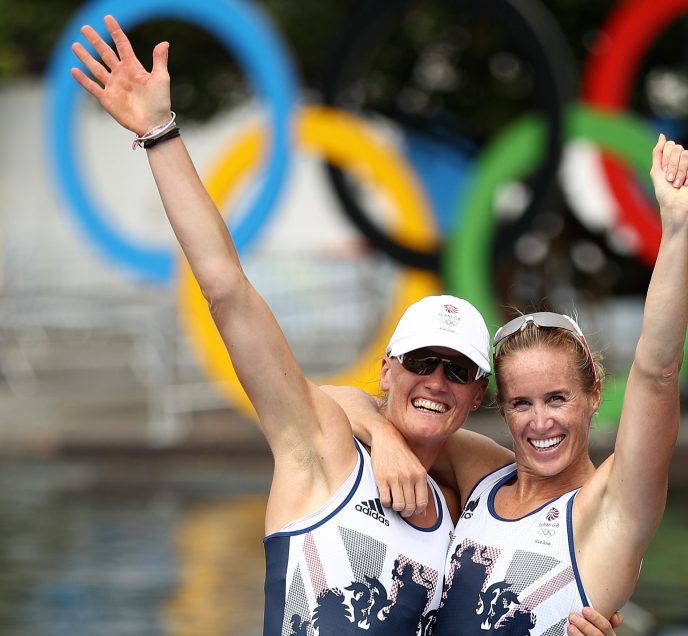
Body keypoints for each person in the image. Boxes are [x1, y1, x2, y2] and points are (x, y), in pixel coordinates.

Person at [69, 15, 621, 636]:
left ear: (477, 395)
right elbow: (225, 289)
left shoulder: (468, 513)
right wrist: (160, 135)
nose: (436, 380)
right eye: (421, 361)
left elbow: (577, 509)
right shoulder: (320, 451)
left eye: (458, 370)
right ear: (388, 368)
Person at [337, 132, 688, 634]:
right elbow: (337, 401)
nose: (540, 422)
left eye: (557, 398)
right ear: (502, 408)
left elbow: (658, 371)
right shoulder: (482, 473)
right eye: (521, 403)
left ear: (594, 393)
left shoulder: (609, 506)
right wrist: (383, 437)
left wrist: (678, 224)